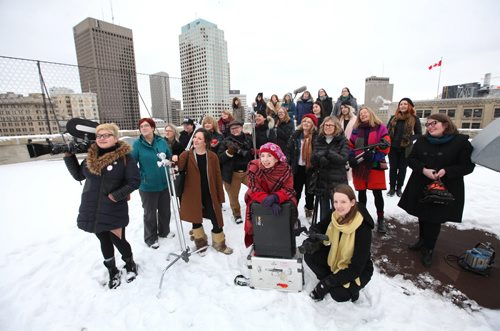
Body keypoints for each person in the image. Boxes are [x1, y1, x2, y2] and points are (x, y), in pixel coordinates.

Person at [64, 123, 140, 289]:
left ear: (115, 138)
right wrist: (69, 155)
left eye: (107, 135)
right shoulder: (91, 157)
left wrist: (115, 196)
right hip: (92, 206)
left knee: (118, 239)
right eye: (99, 136)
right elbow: (78, 176)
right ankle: (112, 269)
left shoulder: (125, 158)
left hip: (113, 207)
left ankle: (130, 263)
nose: (102, 138)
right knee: (103, 239)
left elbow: (134, 181)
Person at [398, 114, 475, 267]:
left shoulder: (460, 142)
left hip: (445, 187)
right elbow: (411, 159)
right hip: (421, 183)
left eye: (434, 123)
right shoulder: (422, 140)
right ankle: (421, 240)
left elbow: (467, 166)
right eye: (428, 124)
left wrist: (447, 171)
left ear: (445, 124)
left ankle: (429, 248)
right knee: (422, 213)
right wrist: (423, 169)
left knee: (434, 218)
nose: (430, 127)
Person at [303, 184, 374, 302]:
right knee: (310, 255)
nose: (338, 206)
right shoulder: (335, 215)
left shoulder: (363, 228)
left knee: (339, 295)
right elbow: (321, 226)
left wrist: (328, 283)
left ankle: (345, 287)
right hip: (337, 257)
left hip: (358, 268)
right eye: (335, 201)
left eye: (343, 202)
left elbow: (356, 267)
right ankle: (331, 280)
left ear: (352, 202)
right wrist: (313, 234)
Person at [178, 128, 233, 255]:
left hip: (209, 193)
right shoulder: (186, 155)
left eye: (199, 138)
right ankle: (200, 242)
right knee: (195, 219)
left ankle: (219, 243)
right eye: (195, 137)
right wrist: (175, 158)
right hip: (193, 193)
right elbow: (178, 167)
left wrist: (220, 196)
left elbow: (218, 176)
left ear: (205, 142)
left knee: (216, 219)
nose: (196, 140)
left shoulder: (212, 156)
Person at [244, 143, 297, 247]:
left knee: (281, 221)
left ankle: (281, 242)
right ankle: (261, 242)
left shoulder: (285, 169)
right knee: (260, 225)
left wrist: (276, 197)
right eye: (262, 155)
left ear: (277, 158)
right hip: (259, 199)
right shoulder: (254, 168)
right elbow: (254, 189)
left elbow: (288, 188)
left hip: (280, 199)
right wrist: (267, 200)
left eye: (269, 156)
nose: (265, 159)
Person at [131, 118, 173, 250]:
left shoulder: (161, 142)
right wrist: (142, 176)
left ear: (153, 128)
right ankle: (151, 238)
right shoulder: (137, 144)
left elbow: (169, 156)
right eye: (141, 126)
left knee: (165, 210)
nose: (143, 128)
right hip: (147, 186)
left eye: (146, 125)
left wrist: (169, 162)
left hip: (164, 183)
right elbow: (131, 164)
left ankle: (164, 231)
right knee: (150, 213)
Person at [348, 106, 390, 233]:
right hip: (360, 165)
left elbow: (386, 146)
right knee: (361, 193)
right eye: (361, 114)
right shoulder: (356, 130)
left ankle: (381, 219)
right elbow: (350, 146)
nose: (363, 115)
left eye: (365, 113)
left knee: (377, 193)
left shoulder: (380, 127)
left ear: (371, 113)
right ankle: (363, 217)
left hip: (374, 165)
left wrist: (374, 156)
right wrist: (352, 157)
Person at [311, 116, 350, 221]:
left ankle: (337, 232)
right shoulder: (318, 140)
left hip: (337, 181)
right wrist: (320, 159)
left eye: (330, 125)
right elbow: (313, 159)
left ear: (336, 127)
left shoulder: (342, 140)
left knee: (338, 210)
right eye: (325, 125)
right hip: (322, 181)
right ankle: (325, 232)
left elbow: (343, 158)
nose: (327, 127)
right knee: (324, 211)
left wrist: (328, 153)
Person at [218, 120, 253, 224]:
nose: (235, 130)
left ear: (241, 128)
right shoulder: (225, 141)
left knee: (256, 189)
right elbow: (220, 158)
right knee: (233, 197)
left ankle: (254, 208)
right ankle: (237, 214)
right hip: (232, 173)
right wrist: (229, 152)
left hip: (247, 172)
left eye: (237, 127)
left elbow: (251, 153)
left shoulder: (249, 139)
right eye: (232, 129)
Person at [386, 97, 422, 197]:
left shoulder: (414, 118)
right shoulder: (394, 118)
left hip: (406, 148)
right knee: (393, 168)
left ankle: (399, 188)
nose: (403, 106)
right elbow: (386, 131)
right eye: (401, 104)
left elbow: (419, 134)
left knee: (402, 169)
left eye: (405, 104)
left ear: (409, 106)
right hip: (393, 147)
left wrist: (411, 138)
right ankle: (392, 188)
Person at [286, 114, 318, 221]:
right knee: (296, 192)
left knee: (310, 193)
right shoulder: (295, 135)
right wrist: (289, 164)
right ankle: (293, 213)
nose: (306, 123)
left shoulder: (316, 137)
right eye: (304, 121)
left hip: (310, 169)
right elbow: (289, 151)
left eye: (308, 122)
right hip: (297, 168)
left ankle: (309, 211)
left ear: (312, 125)